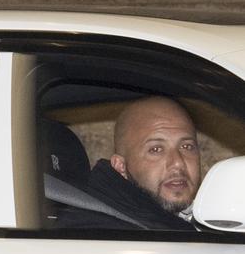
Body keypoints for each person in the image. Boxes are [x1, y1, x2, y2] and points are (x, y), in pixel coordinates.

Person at [56, 96, 200, 229]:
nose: (178, 163)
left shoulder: (181, 222)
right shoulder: (98, 233)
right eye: (156, 149)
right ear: (121, 167)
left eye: (187, 146)